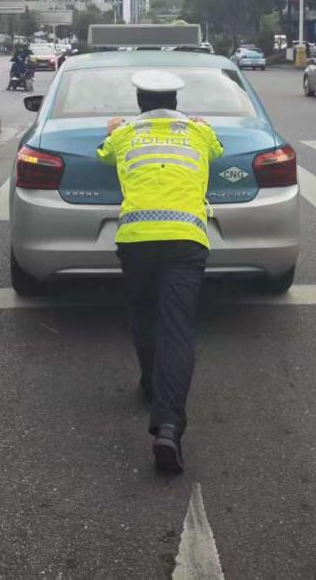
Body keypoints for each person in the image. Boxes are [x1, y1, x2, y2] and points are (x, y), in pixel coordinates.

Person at [97, 70, 224, 474]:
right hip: (186, 239)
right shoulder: (198, 133)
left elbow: (102, 155)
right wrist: (201, 126)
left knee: (143, 313)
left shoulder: (125, 134)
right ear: (176, 102)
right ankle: (169, 425)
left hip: (136, 238)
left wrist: (114, 128)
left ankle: (150, 381)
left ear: (140, 104)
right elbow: (218, 152)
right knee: (178, 327)